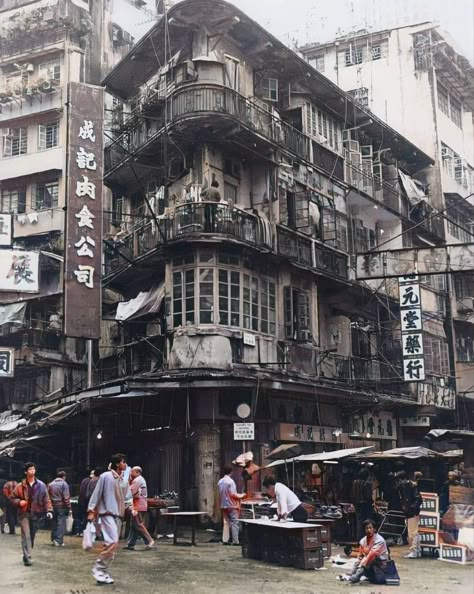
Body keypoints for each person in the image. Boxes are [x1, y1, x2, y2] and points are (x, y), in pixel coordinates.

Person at [87, 453, 130, 585]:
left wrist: (131, 507)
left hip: (118, 515)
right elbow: (97, 493)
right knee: (112, 542)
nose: (125, 464)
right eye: (123, 462)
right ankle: (98, 569)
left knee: (112, 545)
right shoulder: (105, 476)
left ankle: (104, 572)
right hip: (106, 514)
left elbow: (127, 497)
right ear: (117, 464)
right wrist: (91, 510)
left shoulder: (124, 479)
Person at [11, 462, 53, 566]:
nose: (32, 471)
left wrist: (49, 510)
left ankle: (27, 552)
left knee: (32, 535)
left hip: (36, 514)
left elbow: (46, 499)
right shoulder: (20, 486)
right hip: (24, 514)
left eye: (33, 469)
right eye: (30, 469)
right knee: (26, 536)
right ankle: (27, 557)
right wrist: (19, 502)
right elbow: (12, 497)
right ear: (26, 472)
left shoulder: (41, 485)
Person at [339, 519, 389, 584]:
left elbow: (371, 555)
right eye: (366, 528)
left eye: (371, 528)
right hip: (369, 565)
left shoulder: (380, 540)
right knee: (361, 559)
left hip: (381, 566)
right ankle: (354, 573)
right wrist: (354, 568)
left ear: (374, 529)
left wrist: (359, 572)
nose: (369, 530)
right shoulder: (363, 540)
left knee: (370, 558)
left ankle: (358, 575)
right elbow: (361, 554)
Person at [123, 466, 154, 551]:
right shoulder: (139, 479)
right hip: (139, 505)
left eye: (132, 471)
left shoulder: (137, 480)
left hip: (138, 505)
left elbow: (130, 492)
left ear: (137, 472)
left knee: (138, 524)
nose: (130, 473)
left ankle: (149, 540)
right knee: (134, 525)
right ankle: (130, 544)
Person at [397, 470, 422, 559]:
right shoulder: (406, 486)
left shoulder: (411, 486)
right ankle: (416, 550)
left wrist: (411, 508)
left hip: (412, 512)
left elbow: (418, 499)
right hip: (409, 512)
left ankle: (414, 550)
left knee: (412, 533)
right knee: (412, 532)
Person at [218, 464, 245, 545]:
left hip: (224, 505)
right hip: (232, 505)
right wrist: (242, 495)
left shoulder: (220, 481)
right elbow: (233, 494)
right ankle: (235, 541)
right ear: (231, 472)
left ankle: (225, 540)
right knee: (234, 523)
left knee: (226, 523)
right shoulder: (231, 482)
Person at [48, 470, 72, 546]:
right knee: (60, 523)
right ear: (64, 477)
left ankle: (54, 539)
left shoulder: (51, 484)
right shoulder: (64, 484)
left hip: (52, 506)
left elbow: (47, 496)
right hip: (61, 506)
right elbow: (66, 497)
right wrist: (69, 507)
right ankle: (58, 541)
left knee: (54, 523)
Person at [352, 468, 374, 539]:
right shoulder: (367, 484)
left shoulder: (355, 482)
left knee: (359, 521)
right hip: (366, 504)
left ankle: (359, 538)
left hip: (357, 504)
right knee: (368, 522)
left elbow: (352, 494)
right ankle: (367, 538)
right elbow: (368, 495)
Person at [77, 469, 100, 536]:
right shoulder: (93, 481)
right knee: (88, 517)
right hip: (89, 502)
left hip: (82, 501)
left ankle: (80, 531)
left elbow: (82, 491)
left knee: (82, 517)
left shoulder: (84, 480)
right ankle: (88, 531)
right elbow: (91, 493)